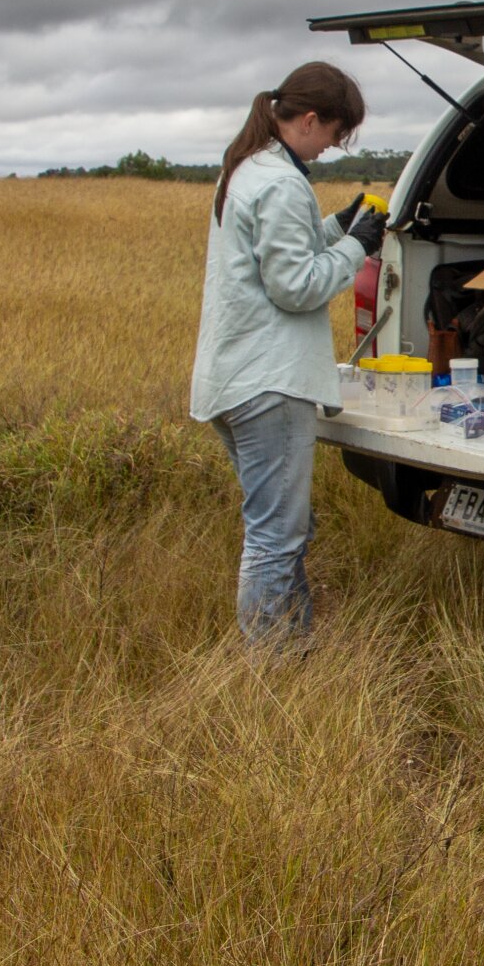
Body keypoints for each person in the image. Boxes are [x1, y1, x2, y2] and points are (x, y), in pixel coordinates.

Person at [189, 62, 384, 646]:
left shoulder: (250, 169)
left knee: (282, 529)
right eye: (334, 133)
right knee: (275, 537)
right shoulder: (277, 180)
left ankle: (292, 651)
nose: (331, 148)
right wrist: (356, 249)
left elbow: (279, 251)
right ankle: (270, 672)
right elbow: (294, 286)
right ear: (307, 119)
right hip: (268, 385)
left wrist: (336, 225)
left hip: (236, 378)